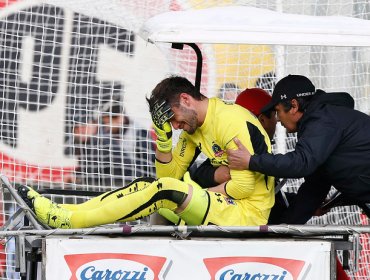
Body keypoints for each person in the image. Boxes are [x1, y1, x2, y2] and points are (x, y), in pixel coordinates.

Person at [17, 75, 274, 229]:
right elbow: (168, 174)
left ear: (186, 99)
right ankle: (66, 213)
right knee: (148, 185)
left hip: (246, 213)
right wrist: (163, 140)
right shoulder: (194, 127)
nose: (174, 125)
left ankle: (70, 222)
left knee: (166, 192)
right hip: (223, 204)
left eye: (173, 118)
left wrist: (193, 194)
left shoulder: (229, 120)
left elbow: (243, 189)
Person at [227, 74, 370, 224]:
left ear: (294, 106)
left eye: (278, 111)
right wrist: (284, 230)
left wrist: (251, 161)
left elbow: (301, 163)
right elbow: (315, 185)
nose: (278, 119)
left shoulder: (323, 120)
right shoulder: (322, 121)